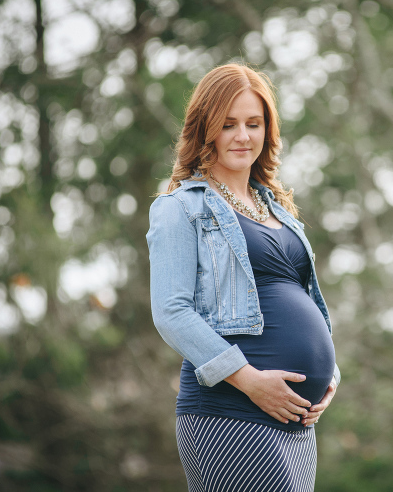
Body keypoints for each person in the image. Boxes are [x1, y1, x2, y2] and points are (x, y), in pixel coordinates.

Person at [145, 63, 340, 492]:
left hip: (295, 423)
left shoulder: (279, 210)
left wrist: (329, 377)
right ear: (206, 129)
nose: (243, 136)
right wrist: (250, 381)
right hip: (230, 412)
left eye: (254, 123)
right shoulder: (180, 207)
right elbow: (171, 312)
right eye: (228, 124)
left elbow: (303, 298)